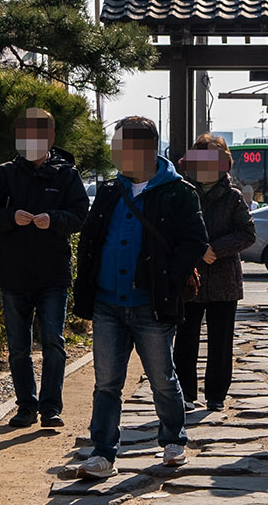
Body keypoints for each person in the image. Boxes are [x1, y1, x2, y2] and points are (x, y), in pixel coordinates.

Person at [59, 117, 209, 480]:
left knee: (161, 377)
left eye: (119, 145)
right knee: (107, 381)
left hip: (151, 302)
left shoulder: (179, 192)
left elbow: (195, 242)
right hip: (108, 302)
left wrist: (170, 280)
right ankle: (103, 453)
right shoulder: (110, 189)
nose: (113, 152)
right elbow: (93, 238)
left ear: (143, 149)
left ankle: (174, 439)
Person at [0, 107, 89, 429]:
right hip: (13, 273)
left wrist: (53, 219)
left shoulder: (66, 174)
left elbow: (81, 215)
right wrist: (11, 217)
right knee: (18, 348)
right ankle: (26, 405)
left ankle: (51, 407)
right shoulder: (4, 173)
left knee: (53, 341)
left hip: (53, 272)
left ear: (51, 137)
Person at [177, 134, 255, 411]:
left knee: (221, 341)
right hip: (189, 278)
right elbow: (172, 231)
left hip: (224, 281)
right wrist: (198, 250)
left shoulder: (233, 197)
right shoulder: (183, 193)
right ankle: (185, 393)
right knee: (185, 339)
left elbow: (247, 233)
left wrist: (216, 249)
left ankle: (216, 395)